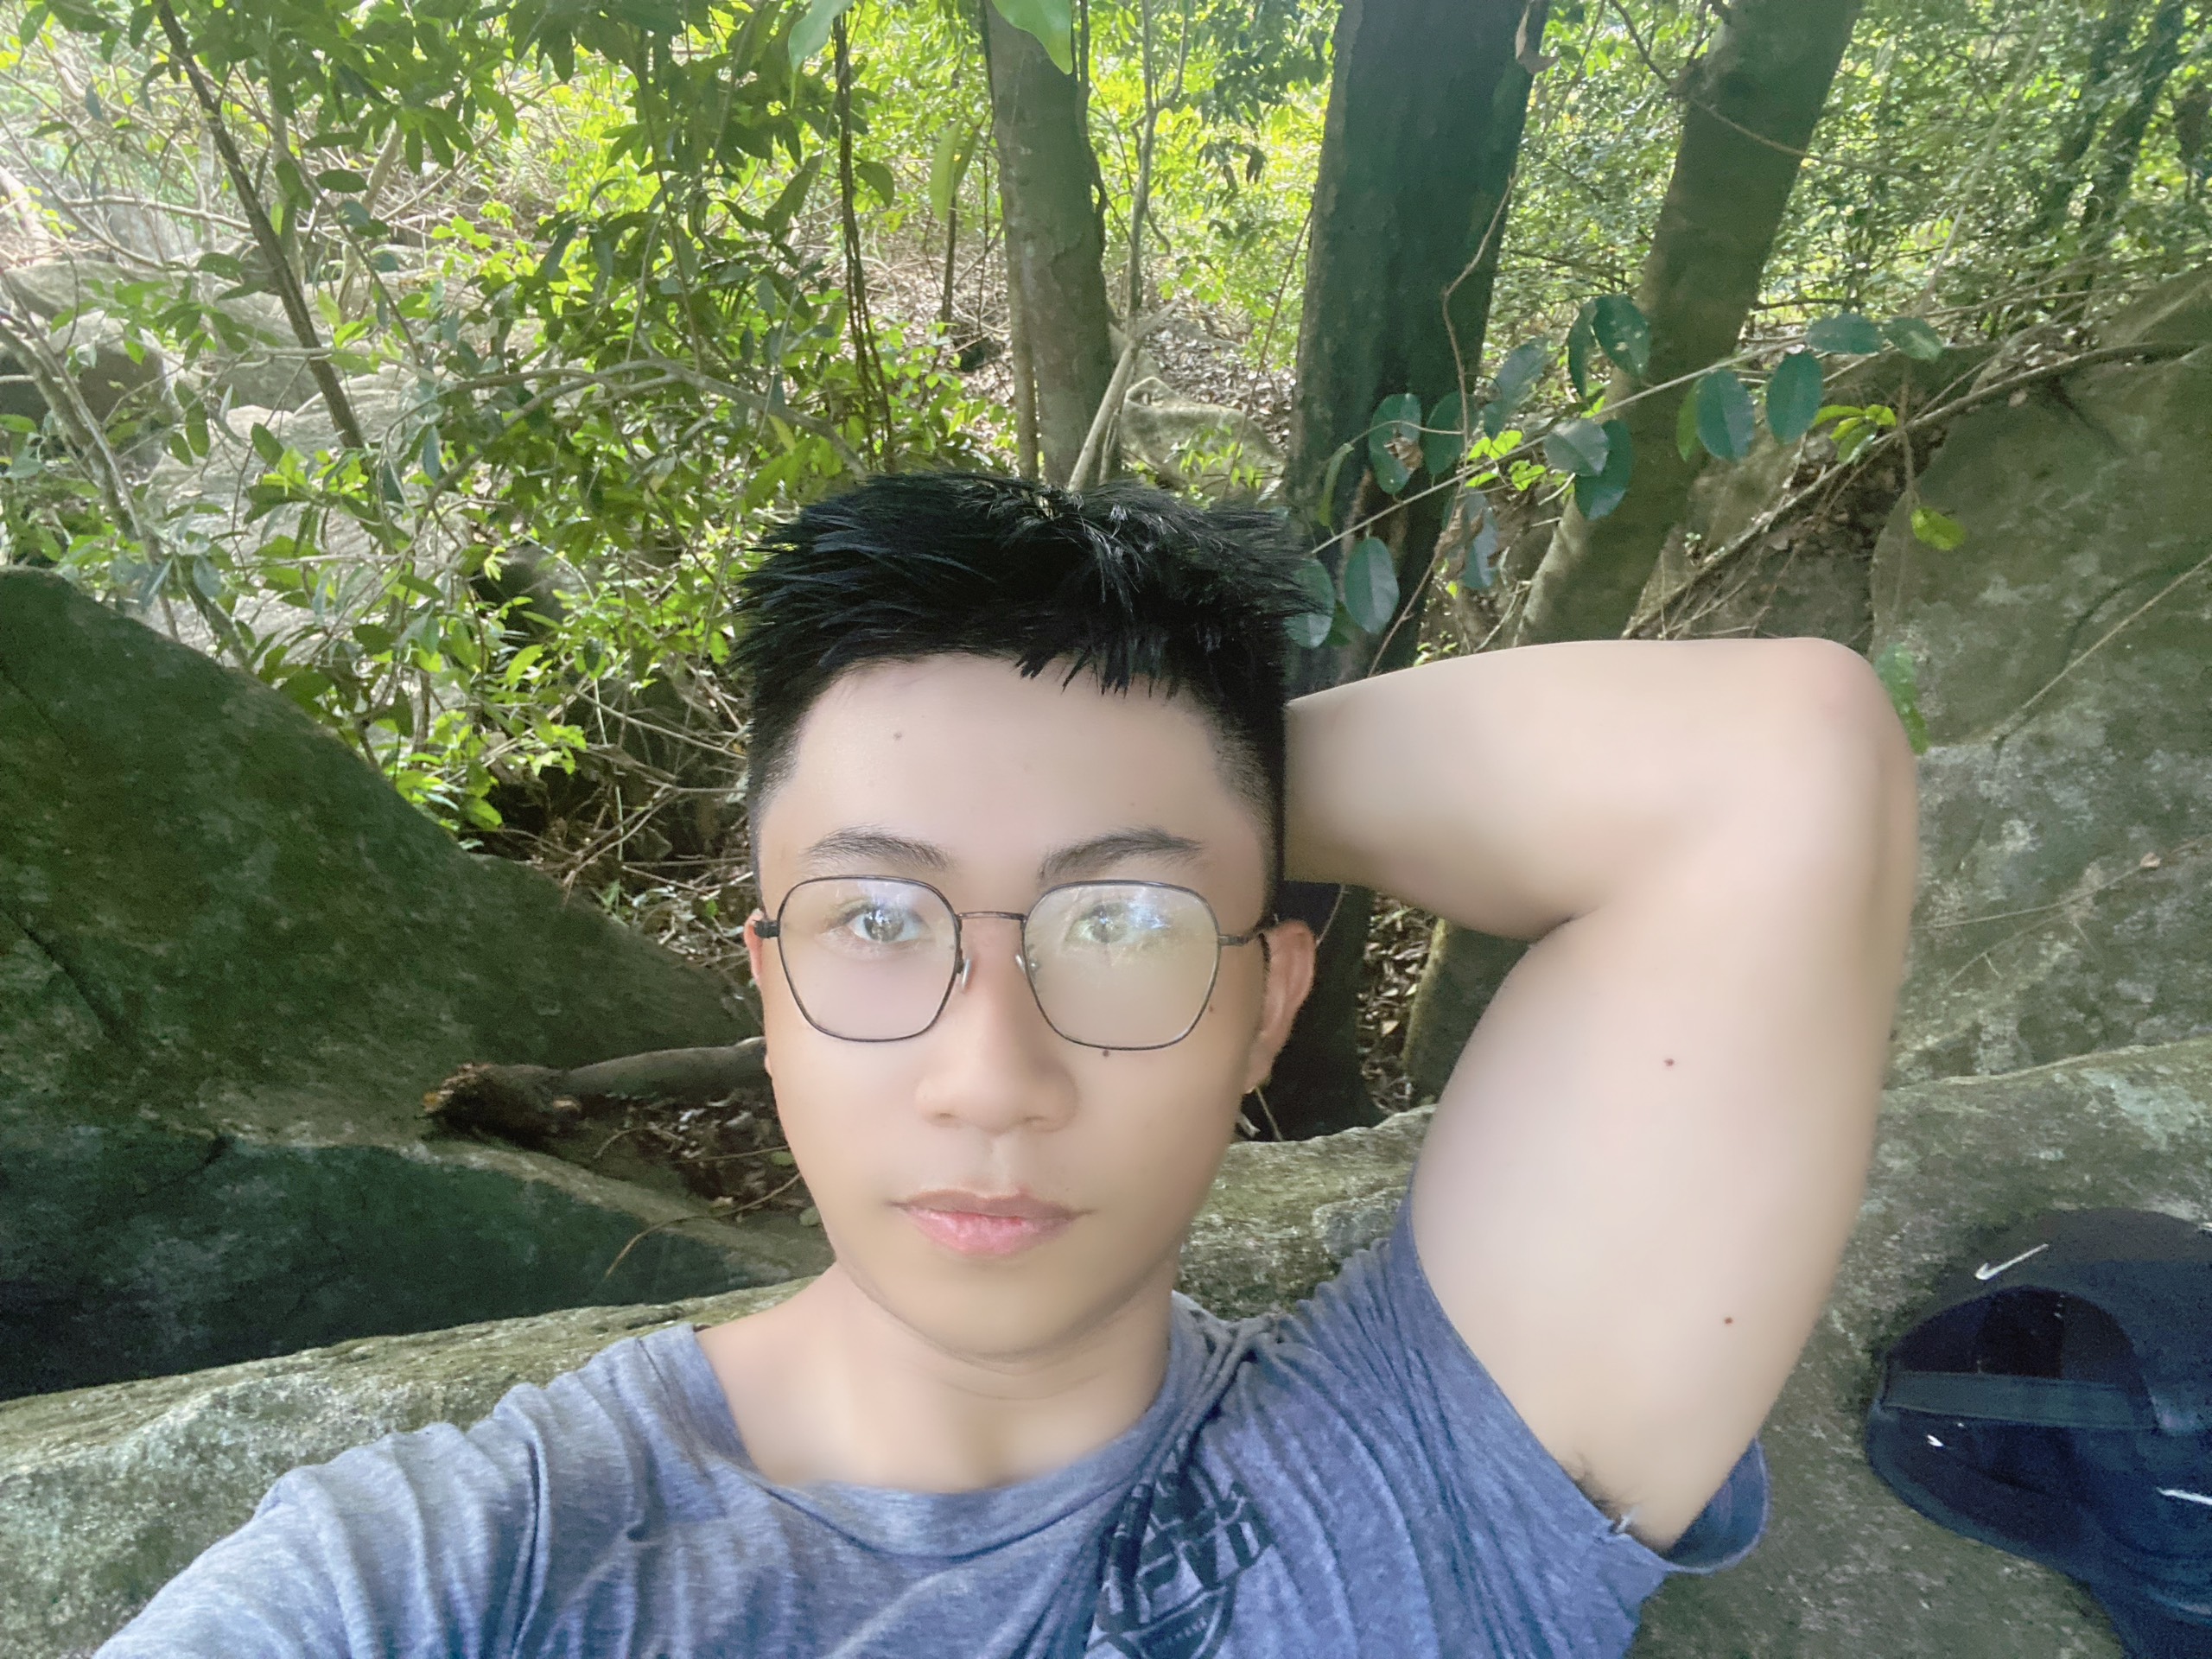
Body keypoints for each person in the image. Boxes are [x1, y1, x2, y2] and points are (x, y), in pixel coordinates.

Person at [99, 470, 1919, 1656]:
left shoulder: (1409, 1488)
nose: (990, 1076)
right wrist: (1131, 821)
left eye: (1121, 930)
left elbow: (1776, 766)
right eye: (876, 921)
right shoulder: (446, 1574)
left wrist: (1186, 777)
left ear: (1267, 1003)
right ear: (768, 987)